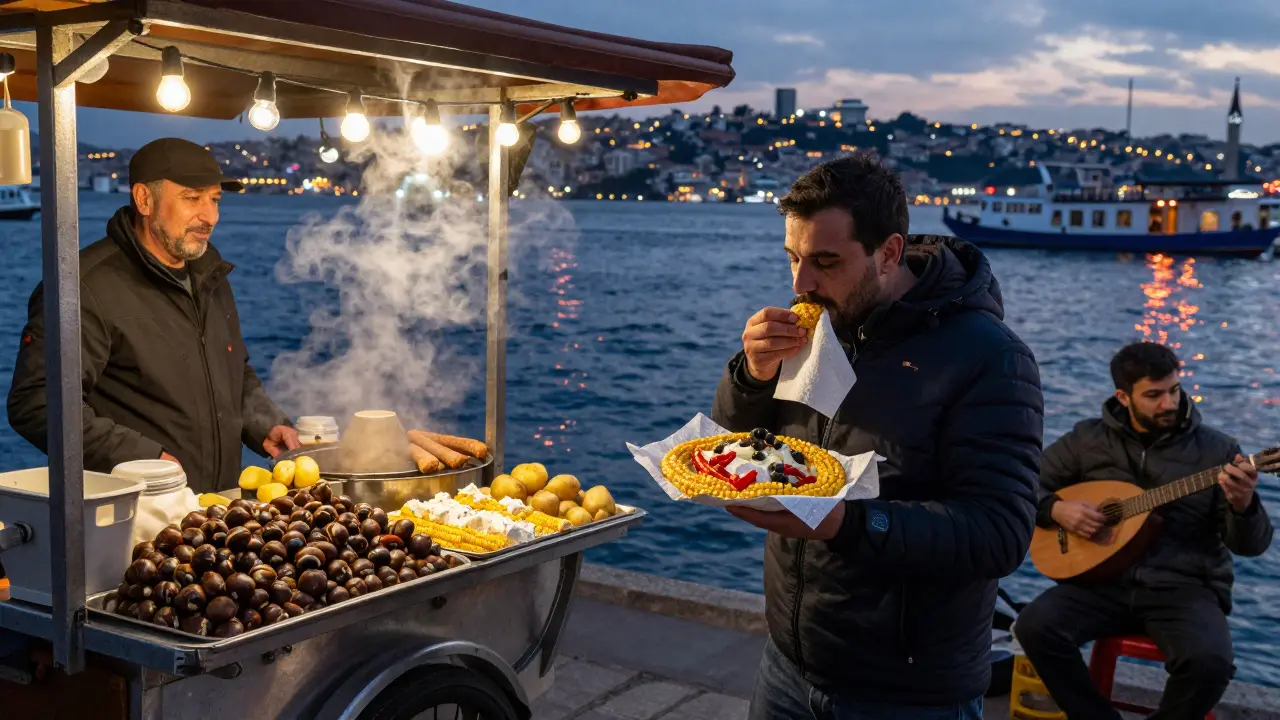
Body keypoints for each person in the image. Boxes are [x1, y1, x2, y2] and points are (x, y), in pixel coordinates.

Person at [712, 154, 1044, 718]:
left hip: (907, 691)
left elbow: (1000, 533)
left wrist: (851, 523)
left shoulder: (992, 357)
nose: (801, 283)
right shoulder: (813, 324)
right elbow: (733, 445)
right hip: (789, 663)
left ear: (889, 252)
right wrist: (751, 375)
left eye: (825, 261)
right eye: (792, 257)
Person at [8, 138, 299, 493]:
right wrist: (144, 458)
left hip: (210, 512)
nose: (210, 216)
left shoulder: (209, 275)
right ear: (144, 199)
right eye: (193, 198)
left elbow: (232, 370)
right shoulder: (82, 287)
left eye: (215, 200)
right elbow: (37, 403)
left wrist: (264, 423)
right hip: (129, 516)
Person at [1014, 342, 1272, 720]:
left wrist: (1243, 505)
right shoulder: (1087, 440)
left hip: (1183, 587)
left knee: (1209, 664)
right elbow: (1023, 483)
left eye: (1174, 390)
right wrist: (1055, 509)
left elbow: (1251, 546)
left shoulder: (1217, 450)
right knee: (1035, 628)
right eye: (1153, 395)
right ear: (1123, 395)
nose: (1168, 403)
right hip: (1101, 582)